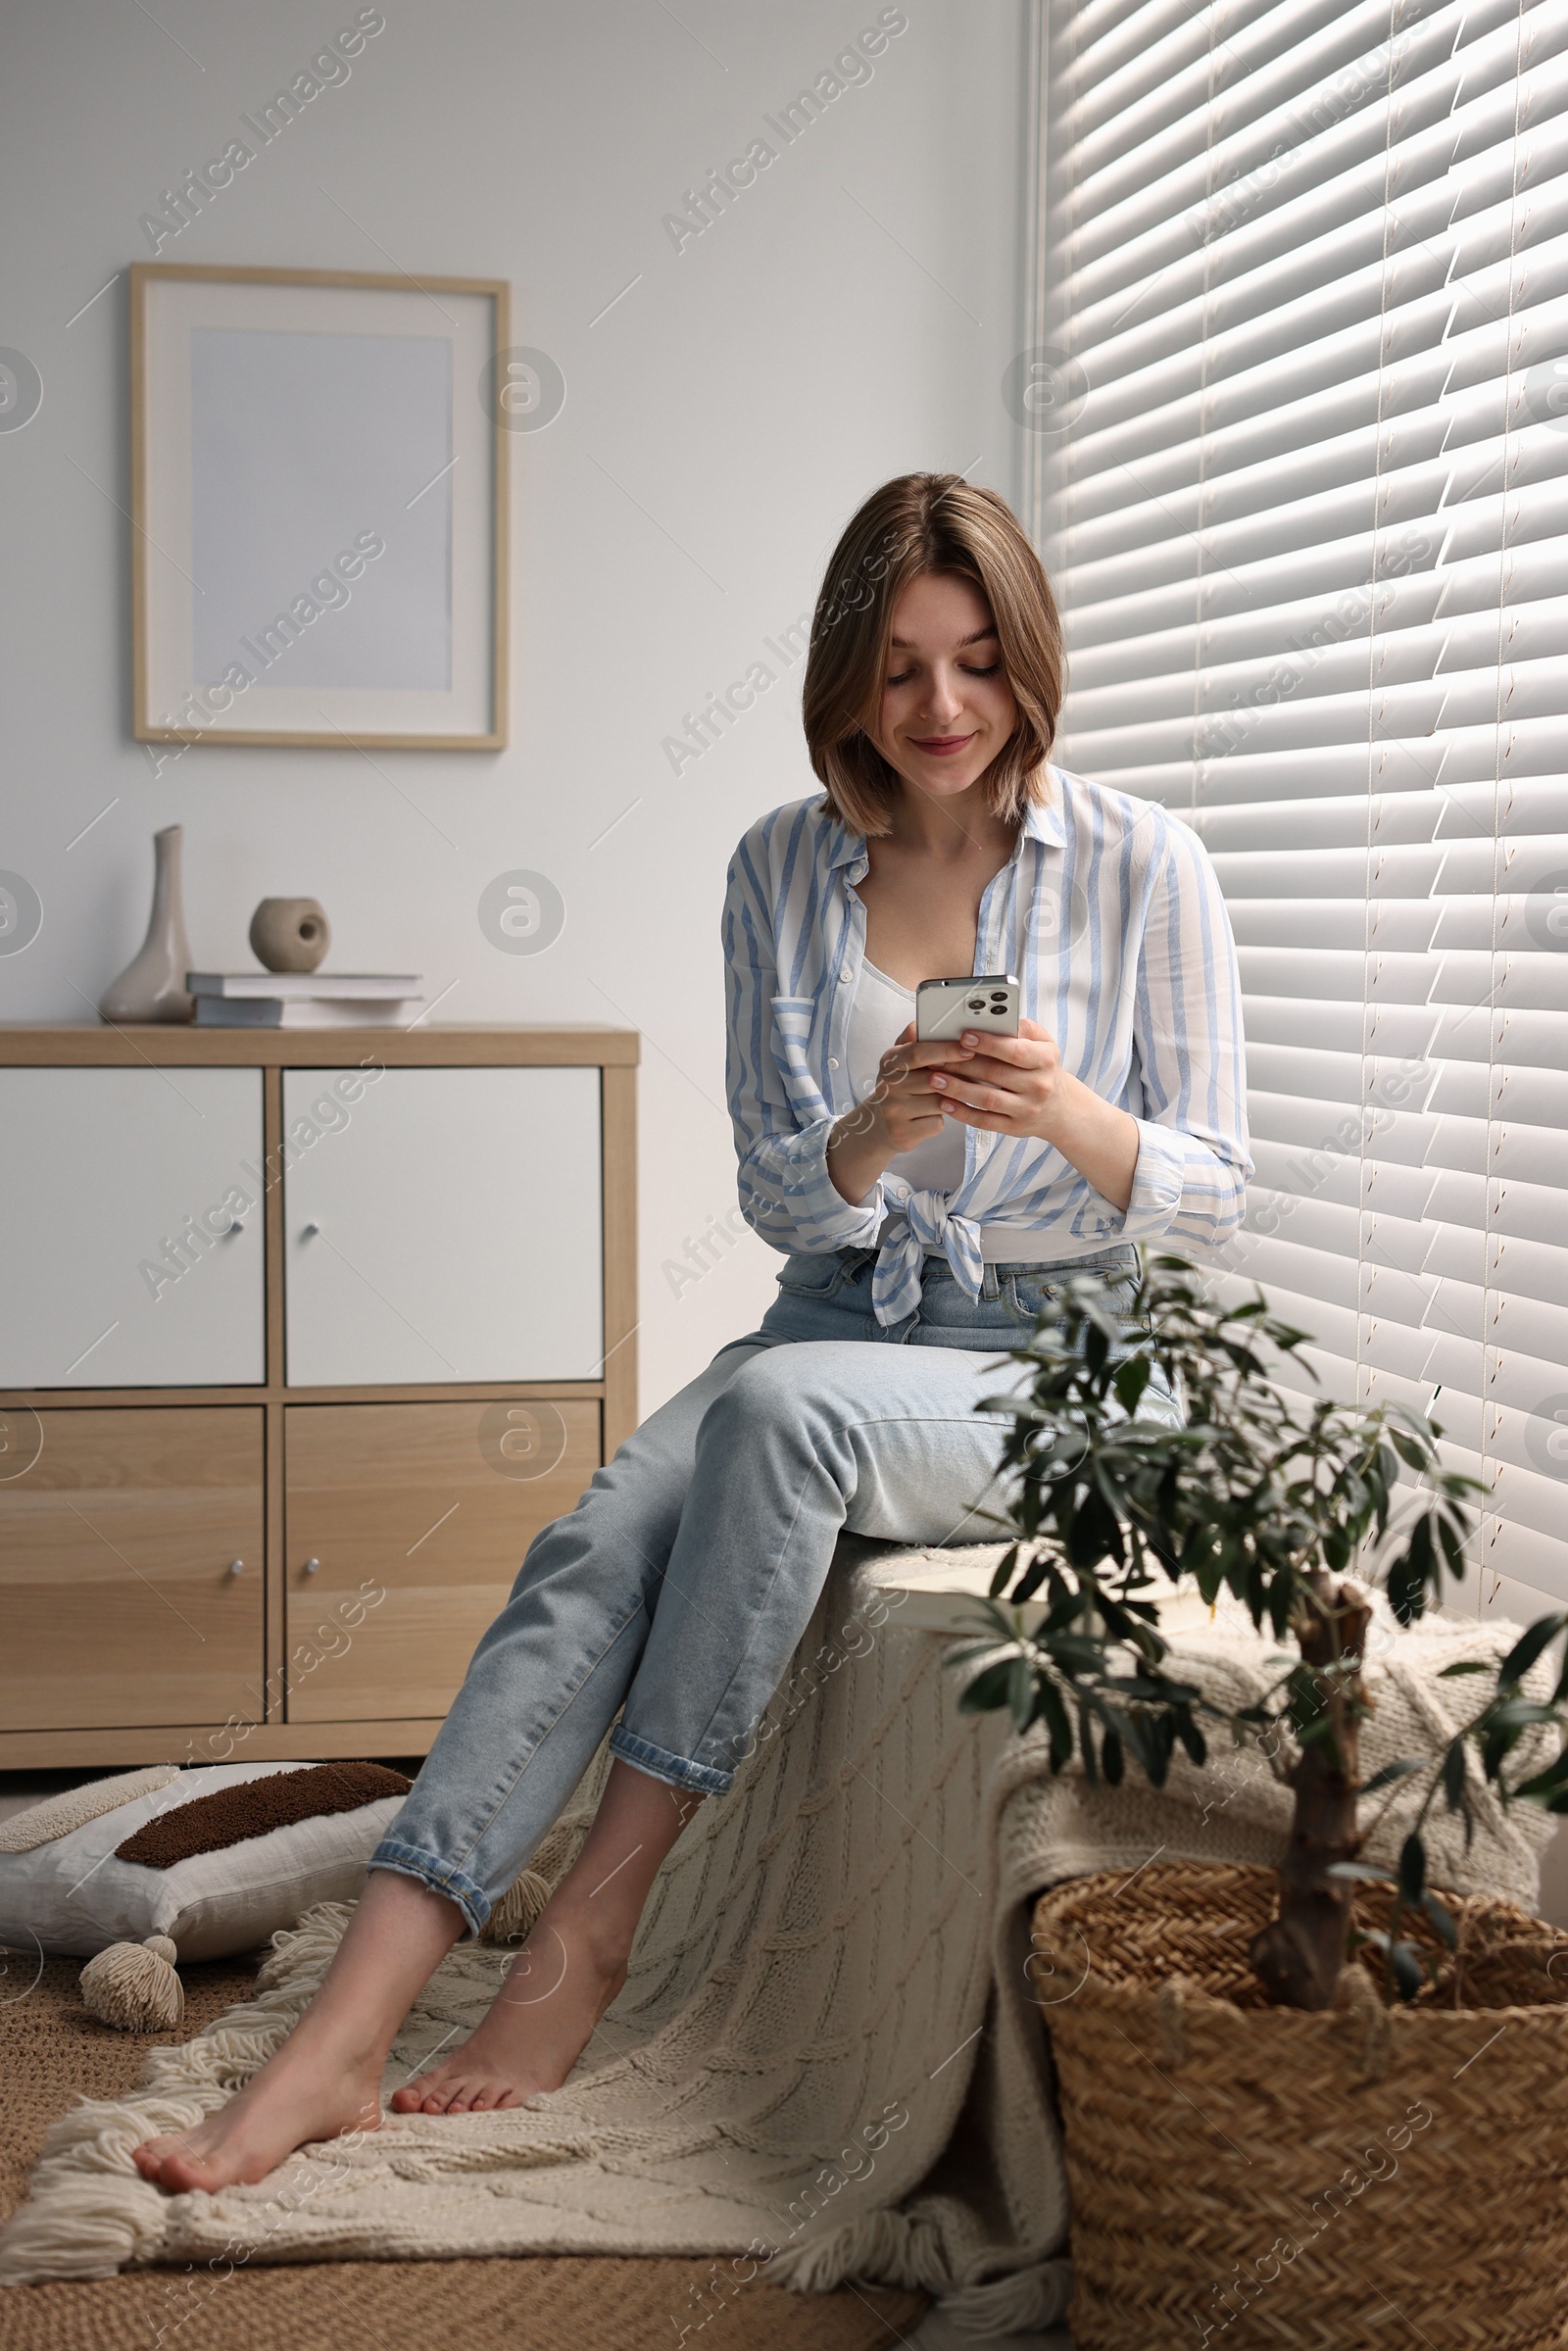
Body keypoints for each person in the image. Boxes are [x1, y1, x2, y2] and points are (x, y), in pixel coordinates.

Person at [133, 471, 1250, 2194]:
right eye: (896, 669)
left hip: (1069, 1359)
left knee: (782, 1418)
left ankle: (587, 1932)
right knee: (595, 1534)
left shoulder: (1143, 865)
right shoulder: (777, 873)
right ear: (843, 685)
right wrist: (873, 1137)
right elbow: (783, 1201)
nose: (940, 710)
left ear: (1027, 664)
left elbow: (1214, 1186)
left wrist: (1076, 1119)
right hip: (843, 1311)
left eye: (974, 662)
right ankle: (343, 2033)